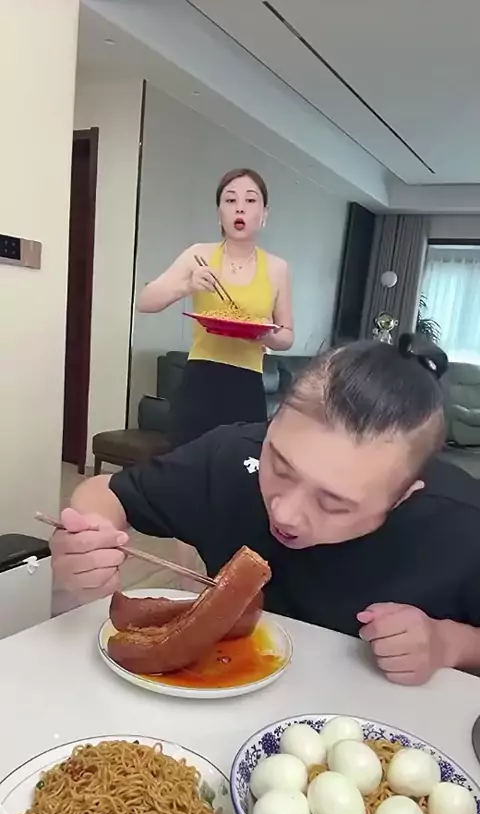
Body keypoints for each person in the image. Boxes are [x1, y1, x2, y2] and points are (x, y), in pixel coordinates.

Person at [51, 334, 480, 687]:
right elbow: (106, 492)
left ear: (402, 497)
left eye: (332, 502)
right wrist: (89, 535)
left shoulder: (462, 525)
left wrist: (449, 643)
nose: (286, 513)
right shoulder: (232, 455)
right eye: (280, 466)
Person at [138, 168, 293, 447]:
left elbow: (287, 336)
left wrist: (264, 335)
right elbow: (145, 302)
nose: (240, 209)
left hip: (248, 386)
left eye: (250, 200)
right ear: (219, 213)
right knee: (185, 467)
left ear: (264, 214)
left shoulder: (277, 268)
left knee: (238, 469)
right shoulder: (199, 255)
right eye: (230, 200)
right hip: (200, 382)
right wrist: (187, 285)